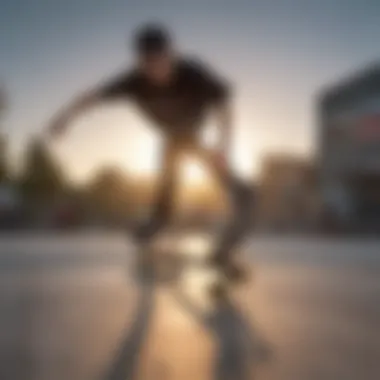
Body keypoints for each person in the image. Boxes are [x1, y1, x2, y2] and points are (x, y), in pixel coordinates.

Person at [47, 23, 252, 281]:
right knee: (164, 201)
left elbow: (224, 106)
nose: (157, 72)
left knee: (244, 194)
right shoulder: (133, 81)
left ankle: (223, 253)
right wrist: (63, 118)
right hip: (171, 143)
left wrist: (224, 147)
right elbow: (90, 97)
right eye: (149, 65)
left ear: (172, 55)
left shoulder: (194, 72)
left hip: (198, 142)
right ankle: (151, 227)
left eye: (162, 62)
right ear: (140, 63)